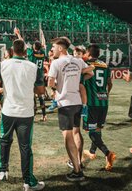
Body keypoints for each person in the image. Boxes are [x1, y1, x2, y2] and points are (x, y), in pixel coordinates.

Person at [0, 39, 45, 191]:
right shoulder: (34, 67)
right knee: (25, 147)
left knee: (4, 140)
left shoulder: (3, 64)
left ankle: (2, 171)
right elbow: (41, 91)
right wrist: (29, 89)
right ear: (25, 51)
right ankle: (28, 181)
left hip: (8, 111)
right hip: (26, 113)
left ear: (12, 50)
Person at [47, 37, 94, 182]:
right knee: (76, 131)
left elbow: (50, 83)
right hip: (77, 102)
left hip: (65, 103)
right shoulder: (77, 60)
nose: (53, 49)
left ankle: (77, 170)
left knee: (68, 137)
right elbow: (91, 71)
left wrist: (59, 86)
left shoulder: (56, 62)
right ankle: (77, 162)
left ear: (61, 48)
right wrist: (76, 78)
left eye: (54, 47)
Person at [81, 44, 116, 171]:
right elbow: (109, 83)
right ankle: (92, 151)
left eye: (85, 52)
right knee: (97, 129)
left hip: (91, 103)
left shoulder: (86, 65)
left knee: (91, 132)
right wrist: (105, 94)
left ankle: (108, 153)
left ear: (89, 54)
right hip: (103, 102)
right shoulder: (105, 65)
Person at [14, 27, 47, 122]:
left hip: (32, 76)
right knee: (41, 96)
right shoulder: (42, 53)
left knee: (32, 95)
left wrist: (18, 34)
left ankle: (33, 114)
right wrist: (42, 35)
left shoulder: (31, 53)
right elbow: (44, 45)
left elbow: (22, 43)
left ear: (33, 47)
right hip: (40, 75)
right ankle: (44, 115)